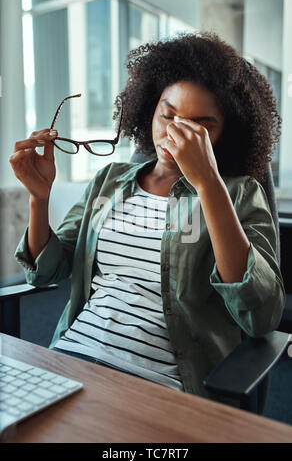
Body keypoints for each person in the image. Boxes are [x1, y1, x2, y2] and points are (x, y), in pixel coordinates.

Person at [10, 32, 285, 407]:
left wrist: (208, 183)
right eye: (167, 115)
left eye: (198, 126)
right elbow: (45, 272)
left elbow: (261, 314)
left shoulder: (238, 193)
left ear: (225, 133)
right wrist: (38, 200)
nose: (174, 134)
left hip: (159, 386)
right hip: (69, 359)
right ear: (147, 110)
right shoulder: (109, 180)